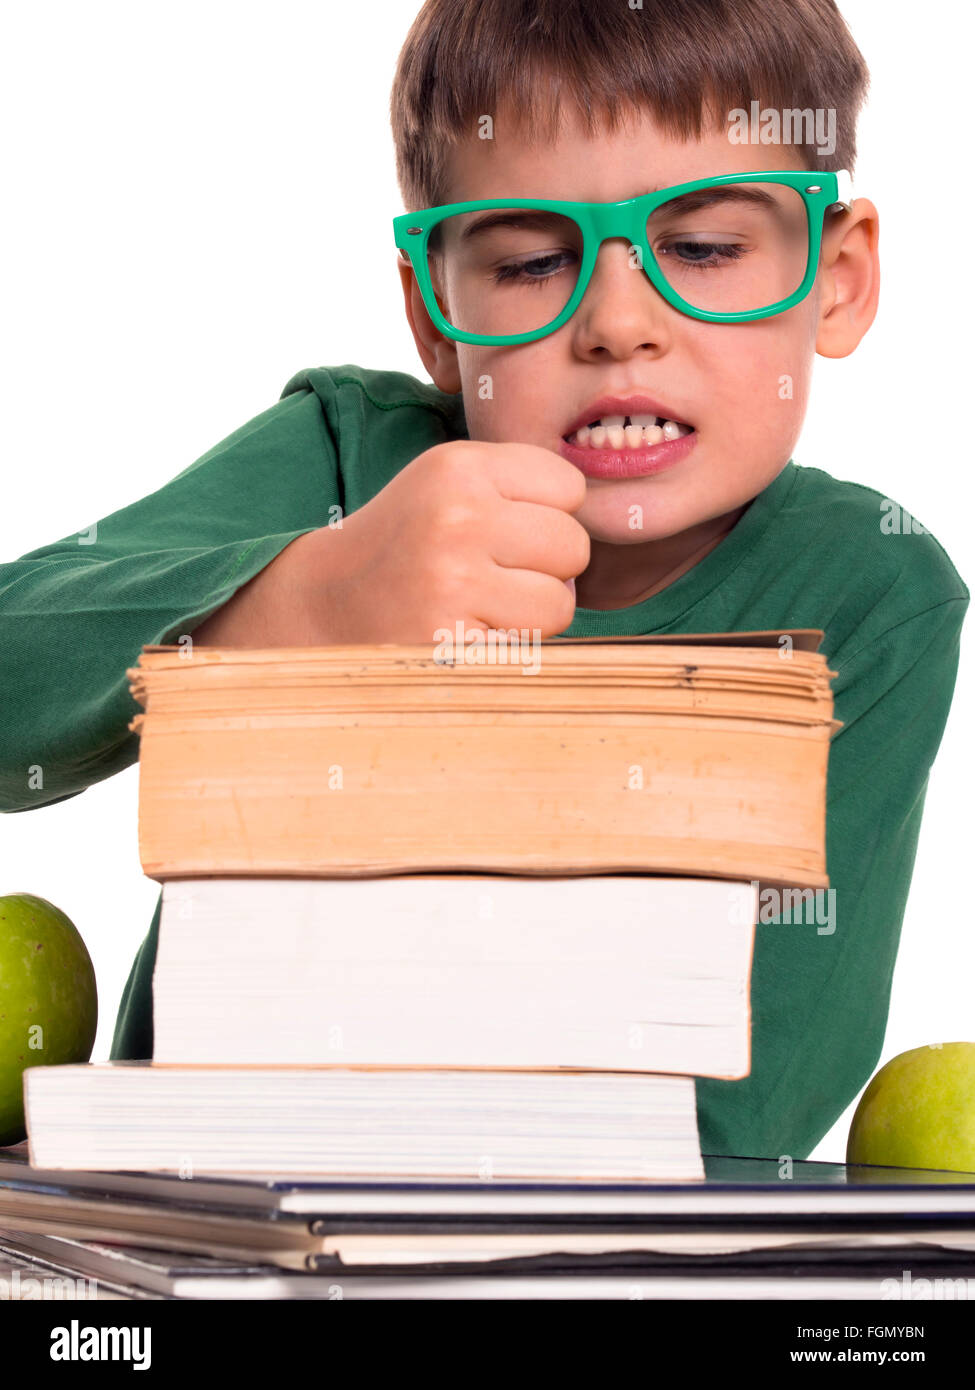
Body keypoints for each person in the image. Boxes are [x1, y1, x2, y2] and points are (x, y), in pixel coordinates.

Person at [0, 0, 967, 1159]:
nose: (619, 322)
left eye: (706, 247)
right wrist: (310, 602)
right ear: (434, 311)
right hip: (203, 1215)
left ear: (839, 276)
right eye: (529, 260)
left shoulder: (875, 587)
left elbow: (761, 1092)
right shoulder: (348, 460)